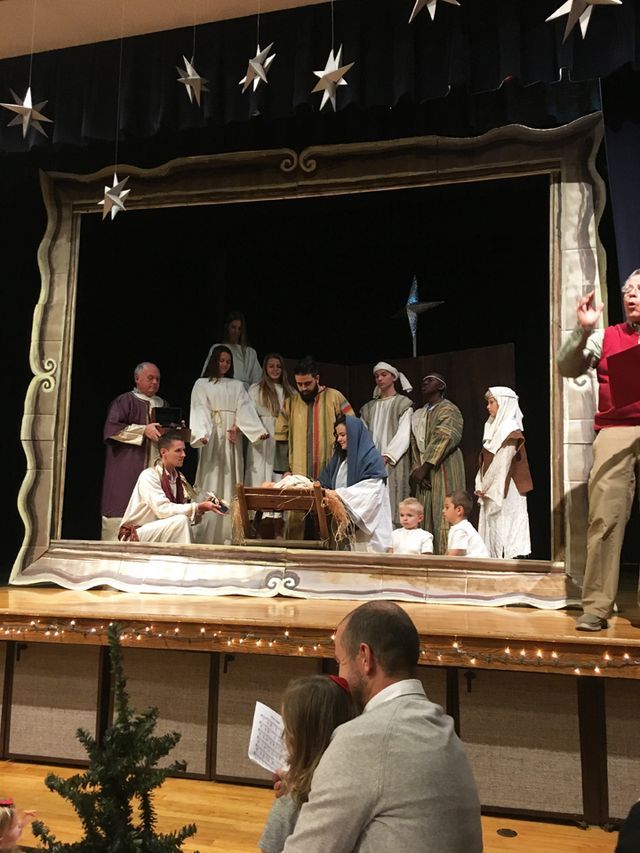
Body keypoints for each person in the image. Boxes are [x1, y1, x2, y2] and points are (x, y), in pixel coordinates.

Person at [281, 601, 483, 852]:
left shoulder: (361, 739)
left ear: (365, 658)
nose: (339, 674)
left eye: (340, 661)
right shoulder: (443, 727)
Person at [557, 273, 640, 630]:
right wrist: (583, 331)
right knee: (604, 516)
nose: (632, 296)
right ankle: (596, 606)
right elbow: (567, 366)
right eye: (628, 291)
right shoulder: (606, 336)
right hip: (617, 429)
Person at [259, 675, 355, 853]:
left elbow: (270, 849)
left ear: (297, 740)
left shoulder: (292, 800)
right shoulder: (353, 785)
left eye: (287, 730)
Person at [190, 345, 267, 544]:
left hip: (231, 437)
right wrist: (201, 434)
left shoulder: (236, 385)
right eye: (221, 361)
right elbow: (199, 409)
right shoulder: (202, 383)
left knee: (231, 479)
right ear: (214, 361)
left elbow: (244, 408)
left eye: (228, 361)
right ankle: (205, 532)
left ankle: (229, 534)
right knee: (212, 476)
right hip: (212, 435)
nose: (224, 364)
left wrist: (245, 428)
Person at [100, 362, 167, 541]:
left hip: (155, 468)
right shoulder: (125, 401)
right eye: (150, 378)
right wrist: (143, 430)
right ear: (137, 379)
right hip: (127, 467)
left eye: (157, 379)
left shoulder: (163, 405)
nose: (154, 382)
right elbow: (112, 429)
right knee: (122, 508)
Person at [118, 432, 224, 543]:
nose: (183, 455)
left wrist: (201, 510)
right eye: (178, 450)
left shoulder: (178, 479)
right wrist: (197, 507)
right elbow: (163, 510)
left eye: (184, 450)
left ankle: (184, 557)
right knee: (180, 521)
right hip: (135, 533)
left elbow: (181, 515)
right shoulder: (149, 476)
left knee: (183, 522)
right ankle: (187, 558)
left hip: (159, 529)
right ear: (163, 452)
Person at [318, 415, 393, 553]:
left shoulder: (371, 457)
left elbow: (371, 491)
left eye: (343, 434)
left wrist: (338, 494)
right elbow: (323, 483)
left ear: (353, 434)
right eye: (337, 435)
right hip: (342, 525)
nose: (339, 439)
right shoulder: (339, 459)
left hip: (367, 531)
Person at [410, 373, 466, 554]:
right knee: (425, 517)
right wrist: (418, 471)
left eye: (430, 380)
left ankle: (448, 562)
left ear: (441, 387)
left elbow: (446, 437)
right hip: (424, 473)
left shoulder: (449, 409)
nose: (424, 382)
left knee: (444, 513)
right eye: (423, 380)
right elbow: (415, 443)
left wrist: (425, 467)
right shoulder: (421, 413)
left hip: (444, 467)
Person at [475, 386, 533, 558]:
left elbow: (503, 464)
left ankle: (507, 559)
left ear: (505, 404)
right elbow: (485, 462)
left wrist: (486, 486)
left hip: (506, 487)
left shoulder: (510, 430)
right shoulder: (492, 427)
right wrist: (480, 483)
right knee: (492, 526)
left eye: (492, 402)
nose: (488, 406)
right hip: (491, 486)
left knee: (506, 524)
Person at [275, 356, 355, 480]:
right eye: (299, 384)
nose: (303, 388)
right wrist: (284, 470)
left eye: (307, 383)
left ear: (317, 378)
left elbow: (352, 427)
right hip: (298, 473)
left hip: (330, 468)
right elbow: (281, 437)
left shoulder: (334, 397)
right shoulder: (290, 404)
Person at [360, 362, 414, 526]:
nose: (380, 379)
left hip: (393, 461)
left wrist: (387, 456)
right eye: (377, 376)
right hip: (372, 461)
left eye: (384, 375)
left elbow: (403, 434)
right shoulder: (368, 408)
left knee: (393, 499)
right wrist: (370, 456)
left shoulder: (403, 404)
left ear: (393, 377)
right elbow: (363, 434)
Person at [200, 310, 261, 388]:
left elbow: (257, 380)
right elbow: (206, 376)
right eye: (233, 327)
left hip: (243, 392)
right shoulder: (217, 348)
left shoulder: (250, 352)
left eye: (239, 328)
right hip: (219, 389)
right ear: (227, 327)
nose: (236, 331)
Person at [444, 490, 490, 558]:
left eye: (447, 507)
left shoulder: (461, 529)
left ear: (459, 510)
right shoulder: (460, 527)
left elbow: (453, 556)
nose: (443, 510)